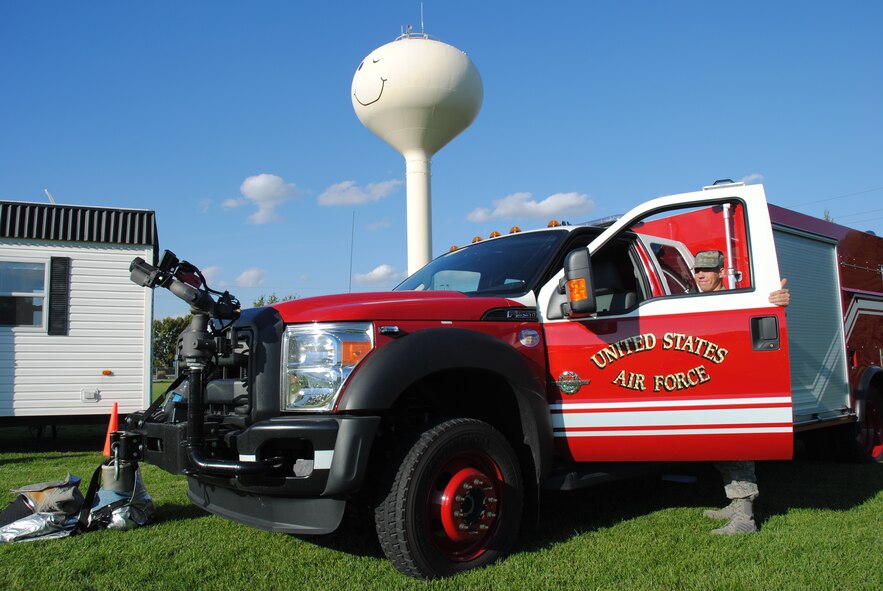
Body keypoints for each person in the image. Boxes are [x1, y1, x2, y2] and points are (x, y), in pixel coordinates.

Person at [691, 250, 790, 535]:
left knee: (737, 447)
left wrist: (777, 299)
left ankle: (745, 518)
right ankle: (735, 505)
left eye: (707, 270)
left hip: (734, 383)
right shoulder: (692, 299)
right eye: (697, 269)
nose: (700, 275)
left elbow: (770, 306)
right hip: (708, 384)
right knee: (721, 448)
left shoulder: (740, 297)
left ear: (722, 272)